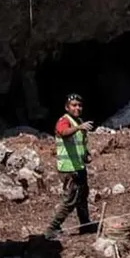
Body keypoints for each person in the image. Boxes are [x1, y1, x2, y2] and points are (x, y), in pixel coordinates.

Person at [46, 94, 96, 239]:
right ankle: (52, 228)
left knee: (82, 196)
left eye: (79, 105)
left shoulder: (78, 122)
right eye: (74, 105)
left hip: (79, 166)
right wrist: (79, 127)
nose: (77, 108)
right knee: (70, 200)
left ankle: (85, 224)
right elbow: (63, 133)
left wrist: (86, 154)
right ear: (67, 107)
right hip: (69, 168)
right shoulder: (64, 121)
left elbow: (79, 143)